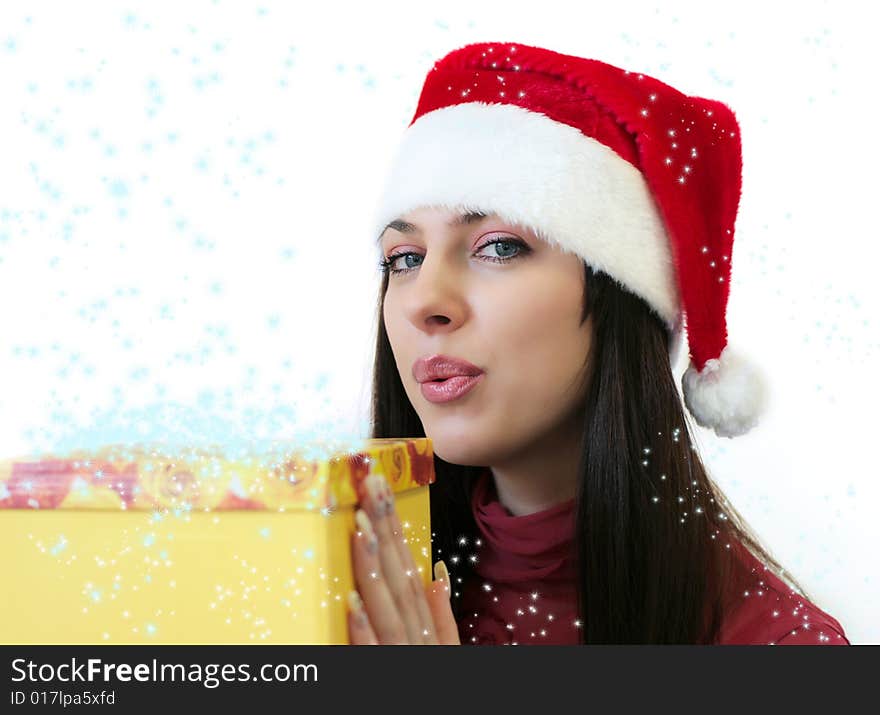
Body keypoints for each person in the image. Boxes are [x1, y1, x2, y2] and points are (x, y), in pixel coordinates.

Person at [345, 41, 851, 645]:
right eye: (403, 258)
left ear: (619, 297)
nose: (426, 300)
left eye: (499, 247)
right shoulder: (335, 585)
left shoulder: (774, 643)